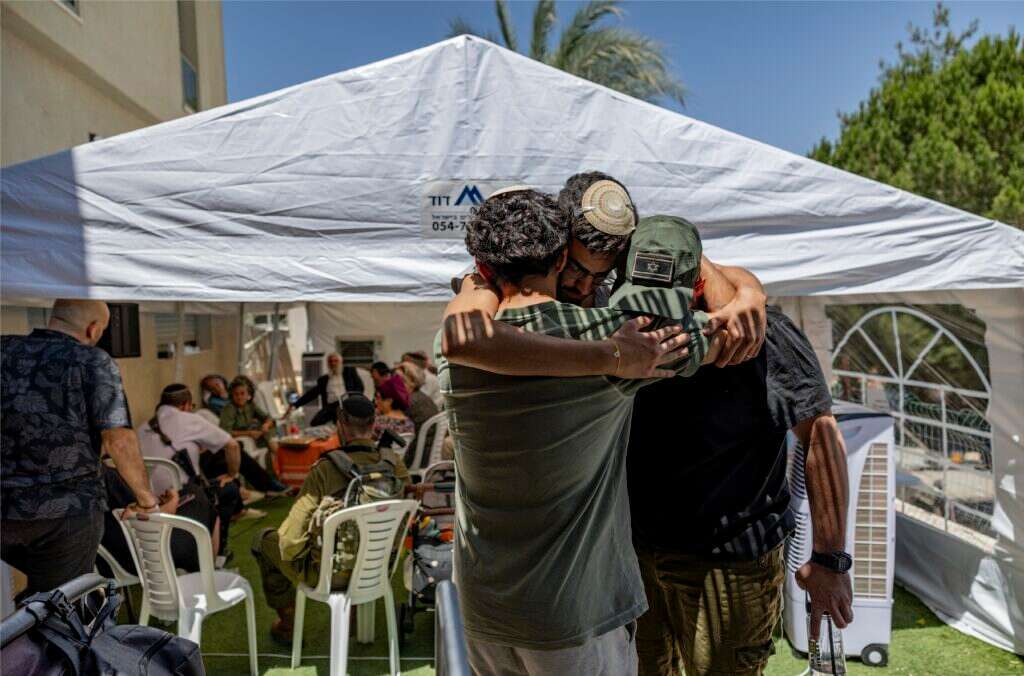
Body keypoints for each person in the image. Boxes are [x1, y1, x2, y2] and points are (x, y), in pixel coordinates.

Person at [444, 172, 852, 676]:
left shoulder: (740, 330)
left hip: (726, 558)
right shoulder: (602, 329)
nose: (585, 287)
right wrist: (616, 353)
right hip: (628, 557)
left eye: (602, 275)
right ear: (558, 255)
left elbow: (821, 434)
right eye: (577, 271)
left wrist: (831, 559)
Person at [437, 189, 716, 675]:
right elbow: (726, 336)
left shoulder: (452, 338)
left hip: (483, 608)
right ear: (563, 256)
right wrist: (744, 294)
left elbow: (472, 313)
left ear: (483, 267)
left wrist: (472, 284)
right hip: (573, 614)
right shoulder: (612, 334)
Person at [1, 299, 159, 594]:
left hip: (6, 510)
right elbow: (118, 439)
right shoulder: (92, 360)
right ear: (93, 328)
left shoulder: (4, 348)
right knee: (60, 605)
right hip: (67, 513)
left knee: (42, 598)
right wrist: (146, 500)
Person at [251, 394, 411, 644]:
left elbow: (290, 540)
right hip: (379, 568)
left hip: (331, 574)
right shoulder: (395, 465)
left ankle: (288, 625)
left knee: (263, 540)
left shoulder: (325, 469)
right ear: (373, 424)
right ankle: (353, 611)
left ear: (340, 424)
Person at [138, 384, 252, 551]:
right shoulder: (189, 420)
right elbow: (233, 446)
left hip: (148, 501)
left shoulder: (142, 428)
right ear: (185, 405)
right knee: (230, 489)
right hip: (183, 498)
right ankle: (219, 551)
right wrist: (231, 474)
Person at [99, 459, 221, 575]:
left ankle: (206, 572)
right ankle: (206, 575)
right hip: (143, 552)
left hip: (114, 552)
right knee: (199, 498)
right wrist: (171, 503)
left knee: (194, 494)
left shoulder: (94, 476)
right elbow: (137, 520)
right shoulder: (105, 476)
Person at [217, 377, 290, 494]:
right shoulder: (229, 409)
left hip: (254, 436)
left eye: (242, 394)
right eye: (236, 394)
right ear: (232, 395)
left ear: (248, 395)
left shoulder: (250, 405)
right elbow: (225, 432)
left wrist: (266, 425)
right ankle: (277, 476)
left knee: (268, 432)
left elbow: (268, 418)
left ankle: (278, 475)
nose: (239, 397)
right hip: (239, 439)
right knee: (270, 442)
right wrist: (249, 433)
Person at [285, 352, 364, 427]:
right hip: (331, 407)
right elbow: (311, 394)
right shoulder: (324, 380)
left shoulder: (349, 372)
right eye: (330, 361)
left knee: (345, 424)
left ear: (341, 362)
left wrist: (353, 402)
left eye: (335, 361)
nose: (333, 363)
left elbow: (360, 388)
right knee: (315, 423)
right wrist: (295, 405)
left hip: (346, 404)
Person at [373, 374, 415, 441]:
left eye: (378, 398)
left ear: (389, 401)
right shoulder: (410, 424)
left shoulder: (380, 422)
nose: (376, 402)